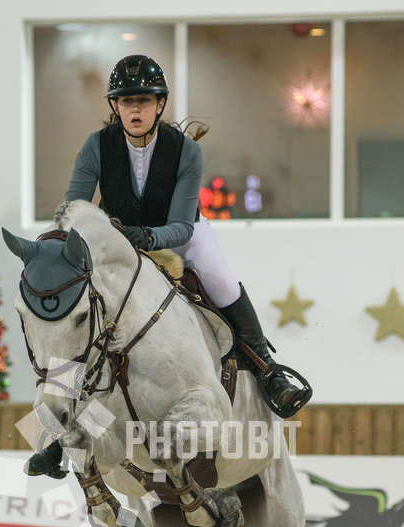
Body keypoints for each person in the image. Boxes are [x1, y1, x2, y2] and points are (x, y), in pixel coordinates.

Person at [27, 54, 311, 478]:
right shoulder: (96, 146)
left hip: (181, 234)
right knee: (80, 312)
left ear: (160, 104)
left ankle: (268, 371)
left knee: (221, 280)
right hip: (119, 242)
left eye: (144, 101)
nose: (135, 109)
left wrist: (147, 237)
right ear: (115, 105)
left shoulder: (186, 151)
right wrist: (60, 245)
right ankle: (52, 433)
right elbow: (76, 209)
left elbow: (180, 224)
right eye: (127, 101)